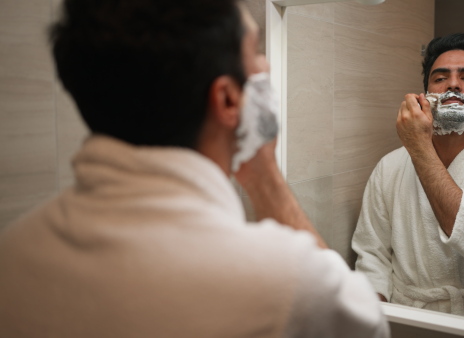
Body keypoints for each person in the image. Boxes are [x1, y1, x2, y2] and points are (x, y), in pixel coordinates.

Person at [0, 1, 390, 337]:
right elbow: (368, 325)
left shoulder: (12, 256)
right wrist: (263, 173)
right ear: (227, 99)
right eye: (255, 50)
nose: (266, 65)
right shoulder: (285, 282)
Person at [352, 33, 464, 323]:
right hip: (406, 312)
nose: (452, 83)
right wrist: (375, 315)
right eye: (440, 77)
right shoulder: (390, 166)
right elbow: (372, 252)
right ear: (424, 97)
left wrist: (419, 148)